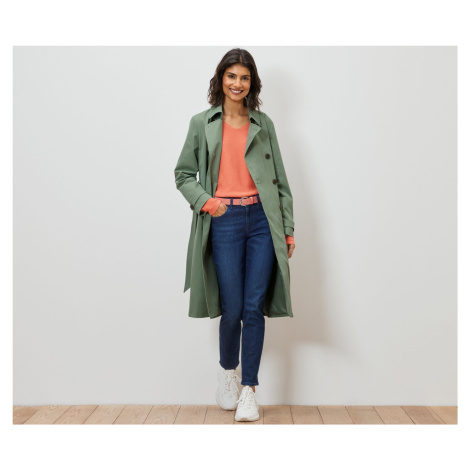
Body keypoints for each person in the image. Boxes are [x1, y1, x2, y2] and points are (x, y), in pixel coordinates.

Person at [174, 48, 295, 421]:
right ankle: (228, 372)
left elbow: (280, 181)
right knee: (233, 308)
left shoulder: (263, 124)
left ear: (251, 82)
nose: (237, 84)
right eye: (231, 76)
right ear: (221, 79)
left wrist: (288, 229)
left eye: (244, 77)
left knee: (254, 307)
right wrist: (208, 203)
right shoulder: (202, 123)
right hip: (223, 219)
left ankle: (249, 390)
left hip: (262, 219)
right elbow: (183, 174)